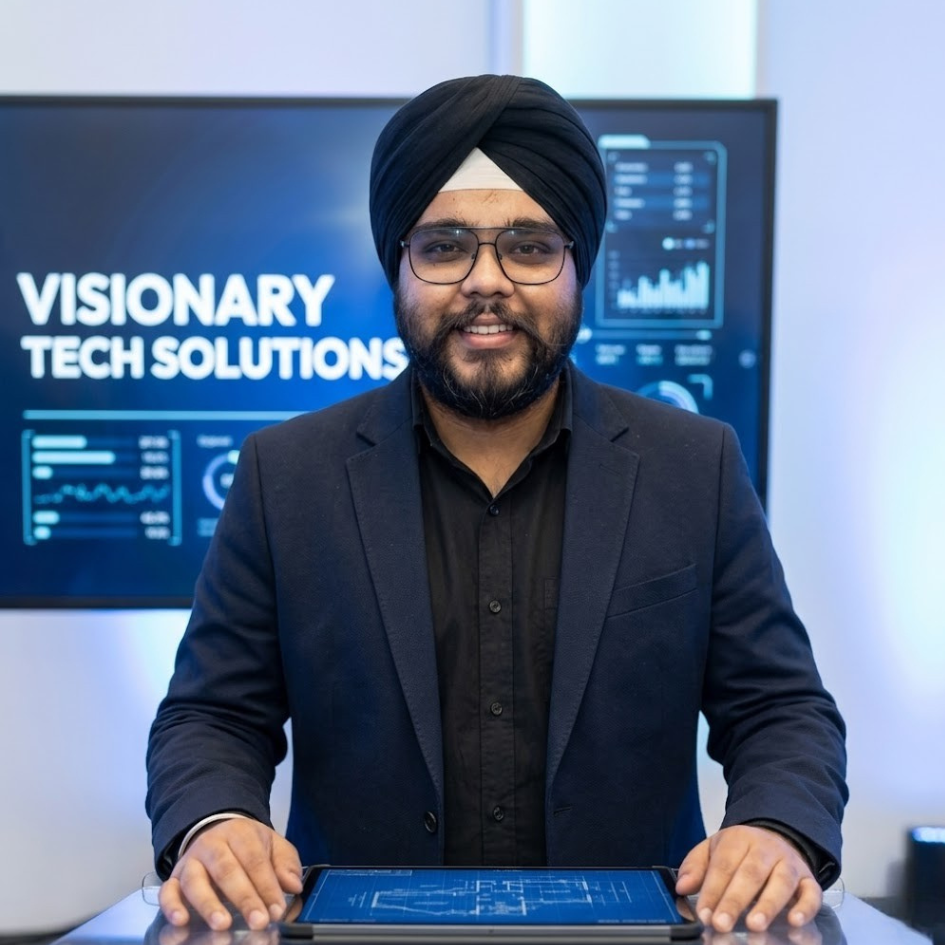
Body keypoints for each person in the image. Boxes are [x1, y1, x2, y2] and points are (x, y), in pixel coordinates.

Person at [146, 74, 847, 936]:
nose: (486, 282)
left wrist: (773, 827)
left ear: (578, 265)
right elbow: (213, 714)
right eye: (444, 247)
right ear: (397, 267)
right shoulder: (284, 474)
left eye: (528, 245)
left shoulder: (693, 467)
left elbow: (780, 708)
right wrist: (215, 821)